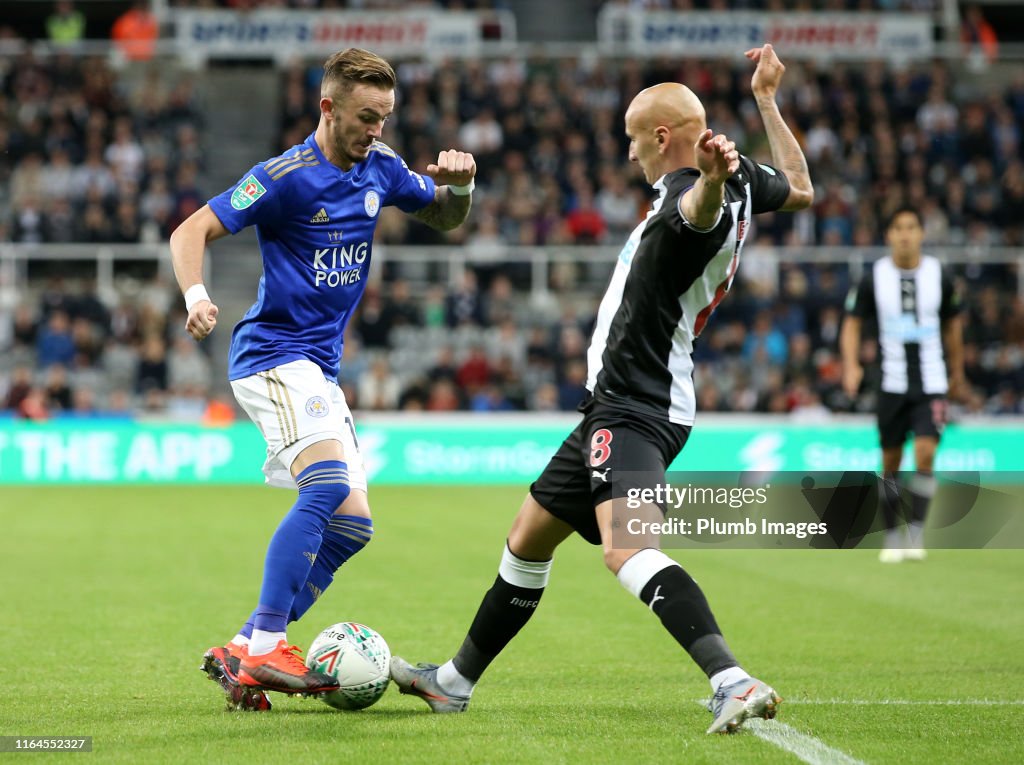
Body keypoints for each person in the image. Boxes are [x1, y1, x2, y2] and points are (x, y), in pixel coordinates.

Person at [388, 43, 813, 735]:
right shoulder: (741, 184)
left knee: (627, 544)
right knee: (528, 535)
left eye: (633, 140)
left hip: (637, 405)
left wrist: (704, 177)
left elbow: (696, 214)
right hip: (613, 406)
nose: (629, 154)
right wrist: (766, 99)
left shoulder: (693, 194)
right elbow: (800, 186)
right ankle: (454, 682)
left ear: (663, 137)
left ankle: (733, 679)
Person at [169, 47, 475, 711]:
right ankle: (269, 644)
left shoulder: (384, 168)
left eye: (386, 118)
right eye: (366, 117)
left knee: (353, 524)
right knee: (329, 483)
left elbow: (447, 217)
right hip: (272, 354)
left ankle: (242, 646)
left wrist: (464, 185)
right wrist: (195, 295)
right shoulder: (281, 177)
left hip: (319, 368)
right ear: (327, 107)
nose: (378, 131)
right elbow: (191, 228)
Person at [840, 206, 965, 563]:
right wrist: (850, 366)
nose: (906, 234)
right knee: (891, 458)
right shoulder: (872, 278)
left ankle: (916, 533)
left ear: (922, 233)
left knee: (926, 453)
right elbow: (851, 323)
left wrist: (958, 371)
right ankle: (893, 535)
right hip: (890, 381)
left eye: (912, 227)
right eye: (898, 228)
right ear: (889, 235)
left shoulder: (939, 275)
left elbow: (954, 325)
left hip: (932, 380)